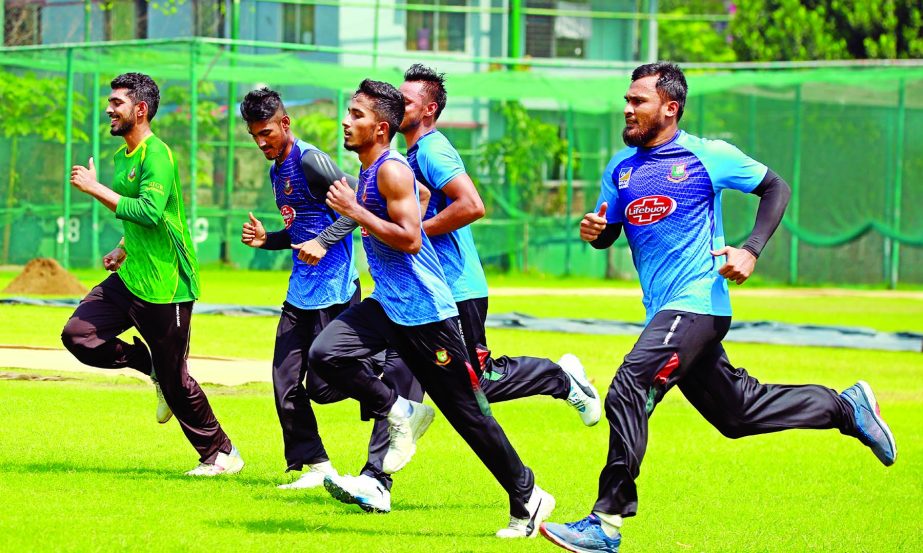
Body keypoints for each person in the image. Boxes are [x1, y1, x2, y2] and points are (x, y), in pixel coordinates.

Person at [539, 62, 897, 553]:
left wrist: (750, 248)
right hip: (667, 313)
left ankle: (606, 522)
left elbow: (777, 187)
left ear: (670, 107)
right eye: (626, 99)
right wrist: (598, 234)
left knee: (629, 384)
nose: (627, 108)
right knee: (738, 414)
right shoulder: (620, 169)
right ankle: (846, 406)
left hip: (699, 302)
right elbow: (612, 230)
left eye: (638, 101)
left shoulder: (708, 156)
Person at [307, 79, 554, 537]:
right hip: (388, 305)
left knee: (469, 415)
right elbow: (418, 201)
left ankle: (528, 496)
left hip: (426, 314)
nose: (345, 120)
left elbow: (411, 237)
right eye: (348, 111)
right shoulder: (371, 168)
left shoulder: (391, 169)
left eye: (356, 115)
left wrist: (357, 213)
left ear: (381, 128)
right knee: (326, 353)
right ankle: (402, 411)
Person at [304, 64, 601, 425]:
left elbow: (472, 205)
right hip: (422, 291)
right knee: (405, 375)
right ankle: (377, 476)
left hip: (457, 288)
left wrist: (415, 233)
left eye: (407, 100)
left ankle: (561, 378)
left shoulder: (432, 150)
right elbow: (400, 204)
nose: (398, 104)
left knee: (474, 386)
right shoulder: (402, 158)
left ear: (429, 110)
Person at [238, 88, 421, 503]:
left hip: (335, 288)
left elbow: (354, 210)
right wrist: (268, 240)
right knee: (284, 381)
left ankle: (387, 376)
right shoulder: (275, 170)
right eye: (254, 136)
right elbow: (300, 232)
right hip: (300, 290)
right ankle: (316, 465)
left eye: (267, 132)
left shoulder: (310, 160)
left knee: (322, 387)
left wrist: (323, 241)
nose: (262, 141)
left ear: (285, 124)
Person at [62, 72, 243, 476]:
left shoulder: (156, 154)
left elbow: (149, 211)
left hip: (166, 286)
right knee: (78, 336)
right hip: (131, 279)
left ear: (139, 110)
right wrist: (122, 248)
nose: (109, 109)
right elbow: (138, 220)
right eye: (109, 102)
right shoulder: (121, 156)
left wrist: (93, 189)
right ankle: (148, 366)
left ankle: (222, 454)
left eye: (117, 103)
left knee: (177, 382)